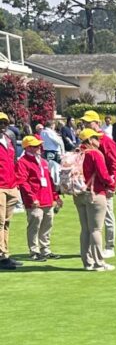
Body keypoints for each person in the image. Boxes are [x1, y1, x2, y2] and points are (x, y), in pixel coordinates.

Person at [16, 134, 63, 261]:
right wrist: (31, 198)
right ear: (28, 148)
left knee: (47, 225)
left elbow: (49, 181)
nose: (39, 147)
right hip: (35, 201)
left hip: (47, 198)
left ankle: (45, 249)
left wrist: (56, 197)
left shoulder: (43, 161)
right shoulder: (23, 162)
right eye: (35, 145)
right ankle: (34, 251)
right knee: (34, 225)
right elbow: (23, 182)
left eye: (39, 145)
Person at [73, 128, 114, 271]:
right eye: (96, 138)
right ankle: (98, 263)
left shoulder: (77, 153)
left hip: (78, 194)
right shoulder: (95, 154)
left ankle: (87, 262)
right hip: (94, 193)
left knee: (85, 229)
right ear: (90, 140)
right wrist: (111, 183)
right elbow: (103, 175)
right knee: (96, 230)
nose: (98, 141)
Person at [81, 110, 116, 258]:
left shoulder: (106, 141)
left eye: (88, 122)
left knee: (108, 215)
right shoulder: (86, 140)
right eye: (84, 122)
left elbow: (114, 164)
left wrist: (112, 186)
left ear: (97, 123)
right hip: (90, 186)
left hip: (104, 184)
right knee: (91, 219)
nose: (85, 124)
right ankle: (94, 247)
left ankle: (109, 245)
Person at [0, 112, 20, 271]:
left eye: (4, 123)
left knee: (6, 222)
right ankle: (1, 255)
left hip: (11, 185)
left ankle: (5, 254)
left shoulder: (8, 140)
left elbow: (13, 162)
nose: (2, 126)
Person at [40, 120, 64, 185]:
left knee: (50, 168)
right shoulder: (50, 132)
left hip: (46, 151)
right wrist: (59, 139)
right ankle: (56, 184)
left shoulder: (42, 132)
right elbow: (58, 142)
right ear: (51, 125)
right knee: (56, 168)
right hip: (54, 151)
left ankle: (51, 182)